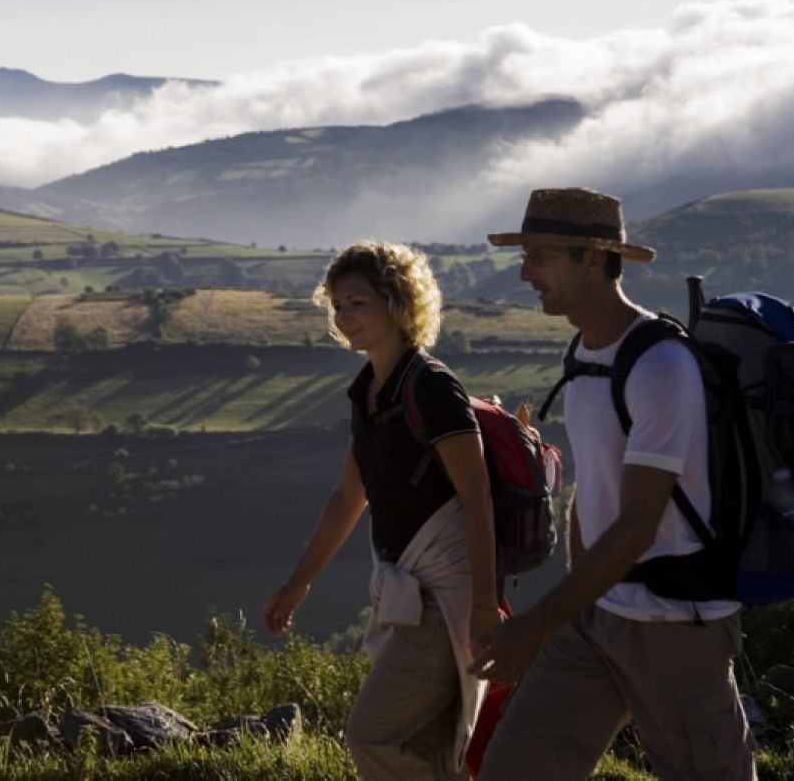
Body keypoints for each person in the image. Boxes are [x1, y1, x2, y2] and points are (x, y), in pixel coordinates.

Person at [469, 189, 757, 781]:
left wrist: (537, 624)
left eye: (541, 256)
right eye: (525, 256)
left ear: (596, 259)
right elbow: (591, 490)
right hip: (597, 618)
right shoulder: (585, 354)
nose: (525, 273)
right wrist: (579, 607)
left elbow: (636, 525)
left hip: (674, 627)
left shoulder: (660, 365)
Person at [263, 240, 501, 780]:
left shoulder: (432, 387)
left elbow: (478, 497)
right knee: (430, 749)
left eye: (357, 303)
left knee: (371, 736)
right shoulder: (369, 391)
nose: (343, 317)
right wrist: (298, 584)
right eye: (337, 305)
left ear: (398, 302)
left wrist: (485, 606)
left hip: (445, 598)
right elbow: (349, 496)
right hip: (407, 593)